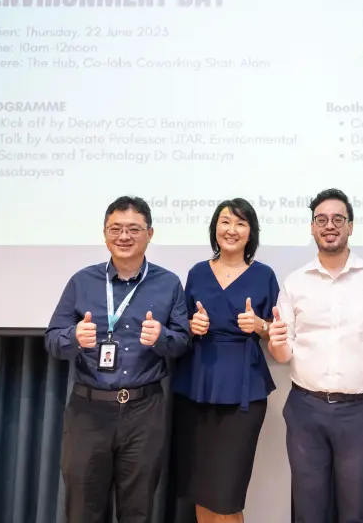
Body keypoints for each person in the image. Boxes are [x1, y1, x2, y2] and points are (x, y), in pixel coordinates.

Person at [45, 196, 191, 523]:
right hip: (89, 410)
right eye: (116, 229)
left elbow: (183, 342)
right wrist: (73, 338)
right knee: (83, 509)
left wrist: (162, 339)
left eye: (133, 229)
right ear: (104, 233)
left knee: (137, 510)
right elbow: (52, 340)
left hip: (144, 410)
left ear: (150, 234)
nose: (124, 236)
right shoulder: (82, 281)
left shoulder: (168, 284)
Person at [268, 188, 363, 523]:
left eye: (337, 219)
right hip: (306, 410)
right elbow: (283, 353)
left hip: (359, 413)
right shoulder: (295, 282)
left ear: (350, 226)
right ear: (312, 228)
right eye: (321, 219)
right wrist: (275, 342)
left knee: (355, 512)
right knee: (308, 510)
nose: (329, 225)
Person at [170, 198, 280, 522]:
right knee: (200, 488)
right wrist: (192, 326)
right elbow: (181, 326)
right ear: (215, 228)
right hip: (196, 386)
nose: (231, 230)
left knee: (228, 496)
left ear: (251, 233)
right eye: (225, 222)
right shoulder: (197, 272)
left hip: (243, 390)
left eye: (240, 223)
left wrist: (260, 326)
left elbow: (278, 330)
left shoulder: (264, 275)